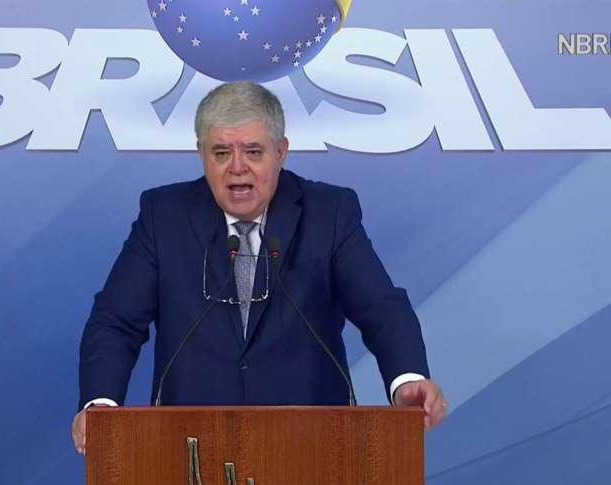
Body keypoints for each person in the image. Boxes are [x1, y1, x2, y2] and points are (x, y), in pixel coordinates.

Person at [71, 82, 445, 454]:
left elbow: (380, 307)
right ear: (201, 153)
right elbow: (116, 321)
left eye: (253, 151)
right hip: (190, 448)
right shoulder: (163, 216)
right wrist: (100, 405)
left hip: (312, 445)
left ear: (281, 152)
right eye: (221, 152)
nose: (237, 168)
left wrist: (406, 377)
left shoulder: (328, 213)